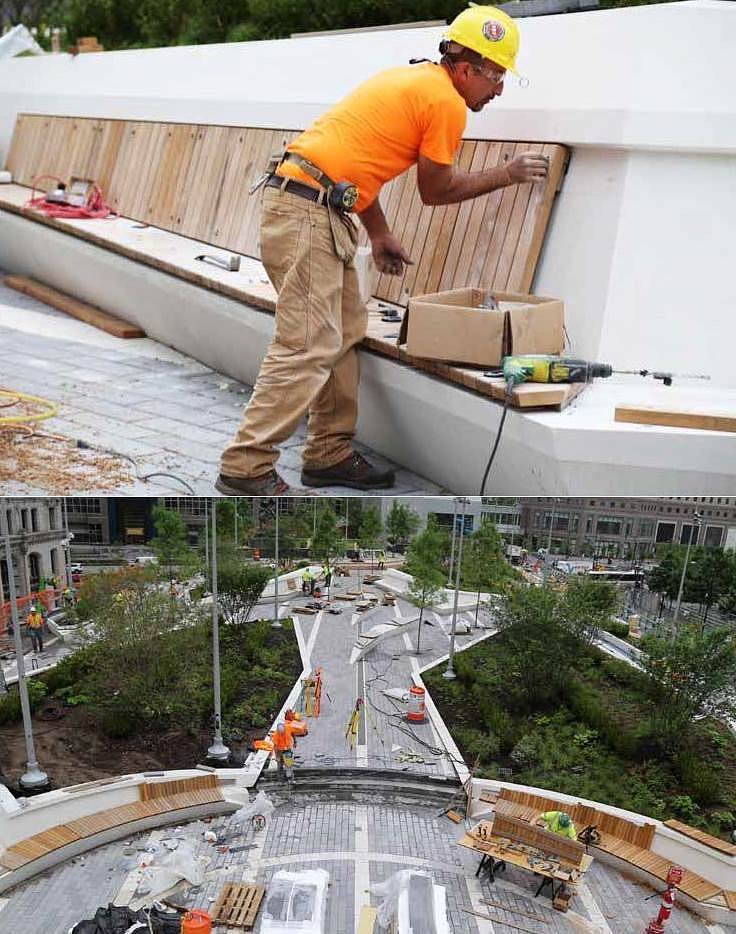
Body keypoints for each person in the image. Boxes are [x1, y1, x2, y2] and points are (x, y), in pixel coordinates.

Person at [216, 5, 548, 495]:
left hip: (315, 205)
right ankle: (245, 466)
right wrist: (507, 173)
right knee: (307, 343)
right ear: (464, 68)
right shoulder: (446, 102)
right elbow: (436, 190)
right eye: (496, 75)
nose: (498, 89)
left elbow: (353, 168)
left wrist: (379, 233)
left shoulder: (414, 81)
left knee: (343, 330)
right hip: (307, 212)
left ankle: (328, 453)